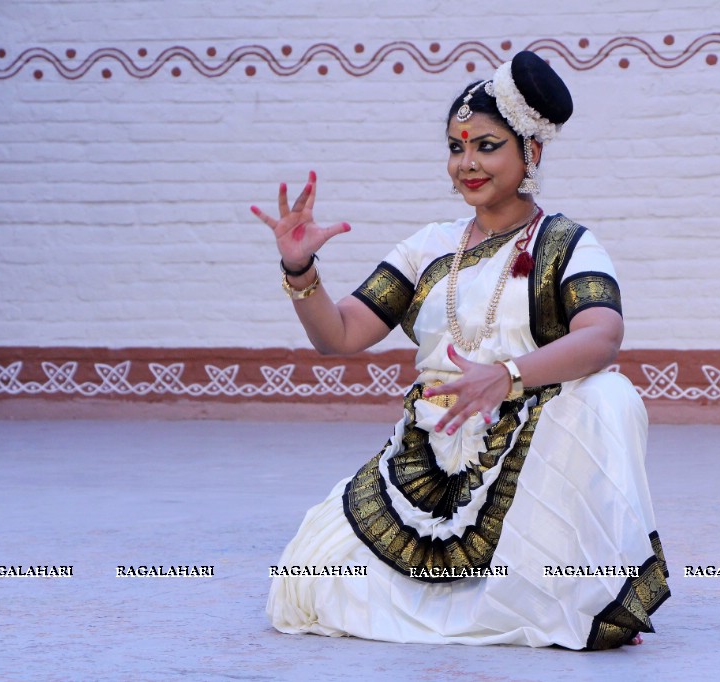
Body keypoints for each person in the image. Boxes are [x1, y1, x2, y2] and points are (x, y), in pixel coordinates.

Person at [252, 51, 669, 650]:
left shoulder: (567, 243)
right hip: (432, 448)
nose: (466, 164)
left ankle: (566, 579)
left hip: (530, 443)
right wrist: (300, 268)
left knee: (608, 394)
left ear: (532, 152)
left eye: (487, 146)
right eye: (455, 147)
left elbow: (602, 336)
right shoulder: (429, 247)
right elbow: (338, 336)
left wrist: (506, 376)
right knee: (305, 583)